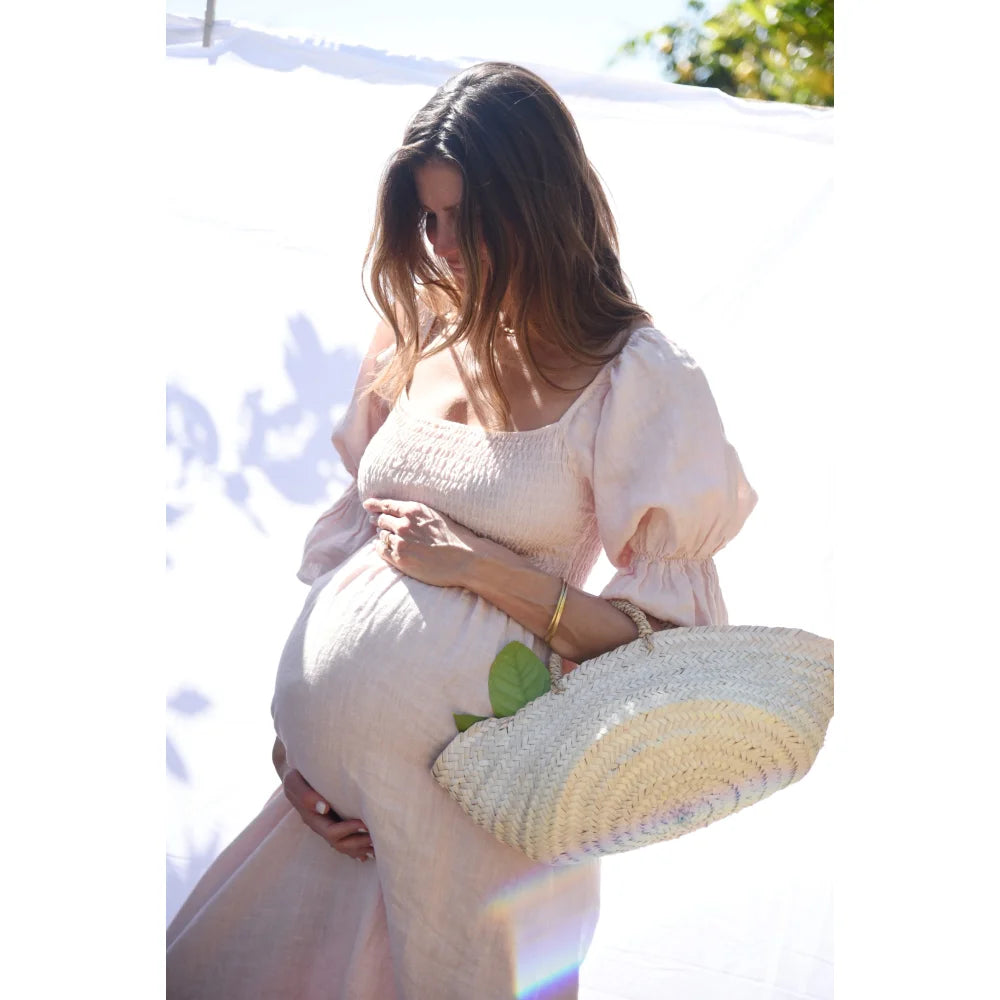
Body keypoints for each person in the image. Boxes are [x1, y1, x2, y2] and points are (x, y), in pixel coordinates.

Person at [166, 61, 757, 1000]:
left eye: (466, 220)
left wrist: (480, 568)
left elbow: (669, 651)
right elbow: (355, 560)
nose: (443, 248)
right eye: (428, 220)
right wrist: (300, 748)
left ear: (542, 204)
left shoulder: (635, 376)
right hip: (333, 813)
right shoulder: (420, 336)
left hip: (483, 822)